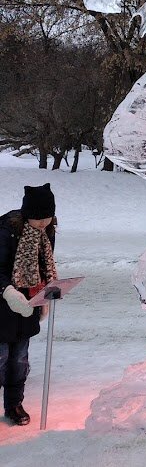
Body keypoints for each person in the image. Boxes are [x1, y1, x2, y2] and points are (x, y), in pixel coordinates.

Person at [0, 183, 58, 427]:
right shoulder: (6, 231)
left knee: (19, 359)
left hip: (28, 305)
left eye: (48, 217)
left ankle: (14, 404)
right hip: (3, 303)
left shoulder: (47, 232)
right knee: (1, 357)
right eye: (39, 218)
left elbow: (45, 267)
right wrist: (9, 292)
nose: (43, 223)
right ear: (27, 215)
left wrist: (44, 297)